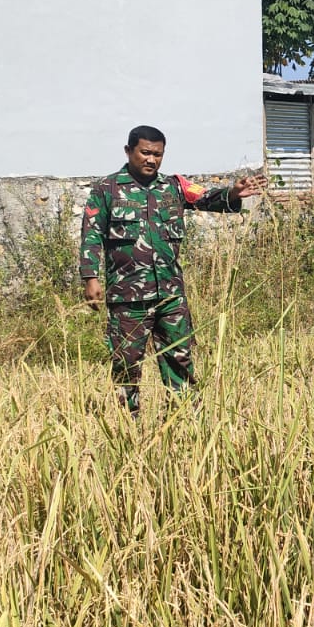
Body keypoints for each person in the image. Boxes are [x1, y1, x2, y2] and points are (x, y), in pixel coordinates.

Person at [79, 125, 267, 414]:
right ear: (128, 151)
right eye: (145, 152)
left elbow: (206, 197)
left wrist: (233, 192)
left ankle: (183, 418)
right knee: (126, 363)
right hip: (128, 298)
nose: (151, 159)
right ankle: (127, 423)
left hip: (171, 295)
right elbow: (91, 235)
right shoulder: (106, 190)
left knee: (180, 359)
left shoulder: (174, 187)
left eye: (158, 154)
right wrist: (90, 278)